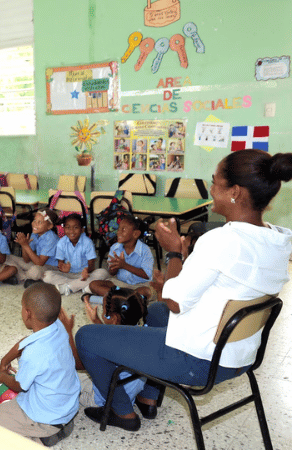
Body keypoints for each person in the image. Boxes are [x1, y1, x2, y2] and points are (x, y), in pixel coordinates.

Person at [76, 150, 292, 433]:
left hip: (200, 360)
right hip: (240, 353)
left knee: (87, 337)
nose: (211, 190)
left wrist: (173, 253)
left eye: (215, 182)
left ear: (235, 192)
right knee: (155, 311)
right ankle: (148, 397)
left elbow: (175, 300)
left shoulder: (221, 241)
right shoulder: (279, 239)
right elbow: (215, 286)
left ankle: (121, 411)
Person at [0, 283, 79, 446]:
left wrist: (1, 376)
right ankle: (59, 426)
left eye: (22, 307)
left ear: (28, 313)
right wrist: (5, 360)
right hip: (66, 407)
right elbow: (26, 342)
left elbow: (19, 386)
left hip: (45, 419)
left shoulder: (34, 354)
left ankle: (40, 437)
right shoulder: (58, 326)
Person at [57, 288, 148, 416]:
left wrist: (68, 331)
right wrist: (97, 322)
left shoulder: (105, 345)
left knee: (60, 373)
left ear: (115, 318)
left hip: (102, 399)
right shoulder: (142, 332)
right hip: (129, 391)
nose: (101, 311)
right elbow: (113, 336)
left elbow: (77, 363)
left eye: (104, 309)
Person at [85, 215, 153, 301]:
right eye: (119, 229)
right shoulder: (115, 247)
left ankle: (112, 299)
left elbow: (147, 275)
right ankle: (124, 299)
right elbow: (112, 273)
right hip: (119, 284)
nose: (118, 232)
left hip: (139, 285)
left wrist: (125, 266)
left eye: (123, 229)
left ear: (135, 234)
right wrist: (115, 266)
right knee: (93, 284)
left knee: (146, 291)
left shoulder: (145, 250)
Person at [43, 214, 106, 295]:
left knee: (102, 273)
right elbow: (60, 264)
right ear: (64, 229)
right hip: (68, 275)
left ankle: (68, 287)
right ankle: (80, 286)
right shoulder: (61, 243)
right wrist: (63, 268)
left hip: (83, 275)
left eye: (75, 227)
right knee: (47, 276)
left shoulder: (88, 242)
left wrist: (87, 270)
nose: (71, 231)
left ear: (82, 229)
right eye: (68, 227)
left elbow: (91, 265)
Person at [9, 209, 59, 288]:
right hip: (37, 263)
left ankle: (20, 277)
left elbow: (40, 263)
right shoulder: (35, 234)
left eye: (40, 222)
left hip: (51, 267)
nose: (35, 224)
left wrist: (26, 246)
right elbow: (26, 259)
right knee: (9, 257)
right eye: (34, 220)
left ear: (50, 226)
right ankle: (29, 278)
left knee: (36, 271)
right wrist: (23, 245)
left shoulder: (51, 238)